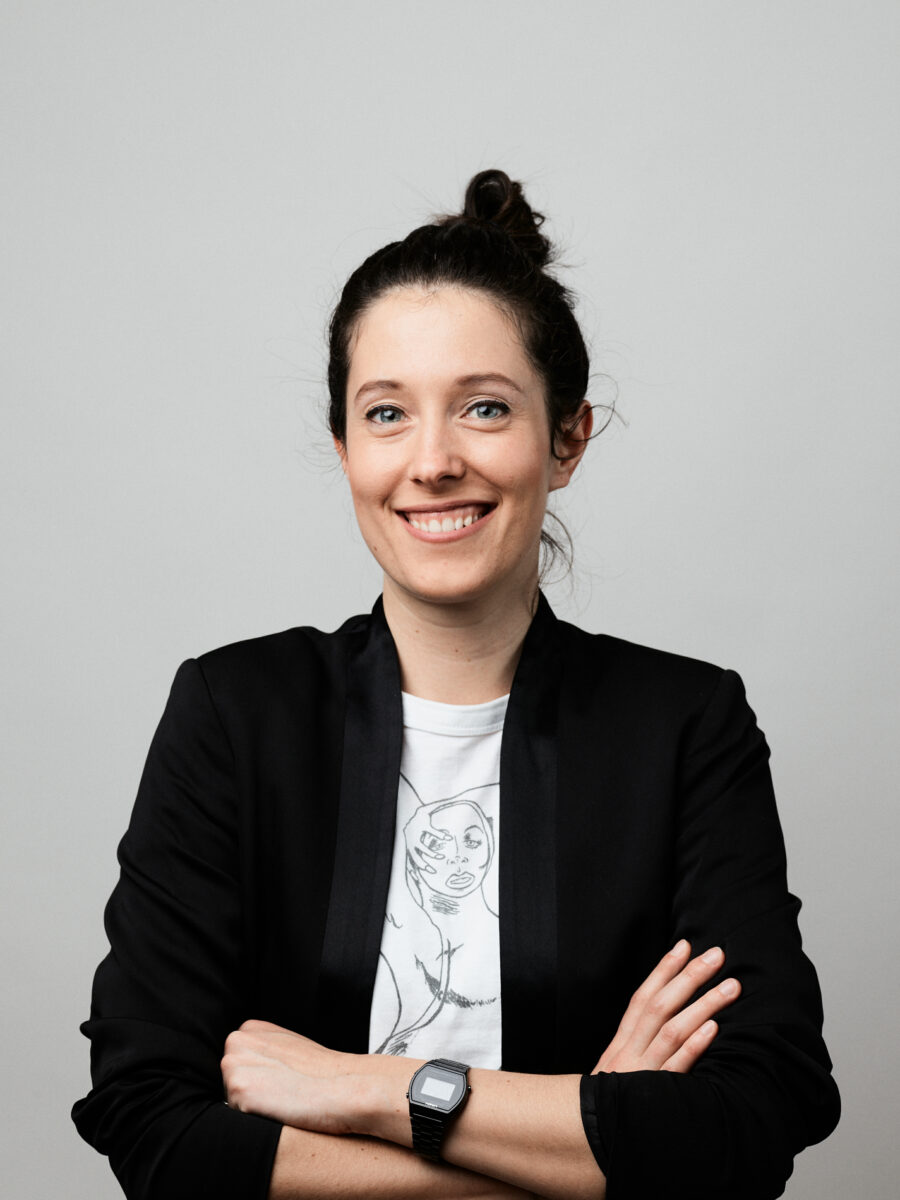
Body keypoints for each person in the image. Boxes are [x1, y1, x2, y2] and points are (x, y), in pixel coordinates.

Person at [72, 170, 840, 1200]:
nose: (431, 462)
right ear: (345, 447)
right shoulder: (234, 716)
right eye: (386, 413)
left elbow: (751, 1125)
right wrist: (584, 1138)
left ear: (565, 439)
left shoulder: (685, 728)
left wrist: (367, 1090)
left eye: (484, 407)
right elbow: (155, 1132)